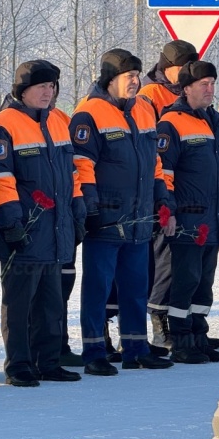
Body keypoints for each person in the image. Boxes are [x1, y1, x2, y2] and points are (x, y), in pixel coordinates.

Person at [70, 48, 174, 375]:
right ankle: (94, 351)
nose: (134, 82)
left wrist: (163, 199)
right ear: (110, 78)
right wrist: (90, 208)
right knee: (98, 288)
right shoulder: (88, 114)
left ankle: (136, 348)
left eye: (137, 76)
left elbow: (154, 162)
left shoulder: (144, 109)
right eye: (128, 76)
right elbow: (82, 165)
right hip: (106, 217)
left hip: (140, 217)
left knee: (136, 287)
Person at [0, 61, 86, 386]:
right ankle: (19, 365)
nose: (48, 92)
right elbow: (0, 179)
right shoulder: (4, 126)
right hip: (26, 231)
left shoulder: (58, 121)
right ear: (22, 90)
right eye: (41, 86)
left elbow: (72, 174)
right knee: (19, 304)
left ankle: (49, 361)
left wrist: (79, 210)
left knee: (52, 303)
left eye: (52, 86)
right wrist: (11, 223)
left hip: (57, 230)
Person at [157, 60, 219, 364]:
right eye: (204, 84)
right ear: (186, 88)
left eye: (213, 83)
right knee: (185, 281)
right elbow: (164, 172)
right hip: (189, 218)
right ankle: (181, 339)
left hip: (214, 218)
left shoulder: (218, 121)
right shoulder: (172, 122)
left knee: (204, 281)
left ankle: (199, 336)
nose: (210, 89)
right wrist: (169, 211)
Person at [138, 40, 199, 355]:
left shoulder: (185, 95)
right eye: (183, 67)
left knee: (179, 261)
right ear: (166, 67)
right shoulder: (150, 95)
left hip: (185, 189)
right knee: (164, 259)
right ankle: (158, 321)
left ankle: (177, 322)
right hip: (158, 185)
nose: (187, 73)